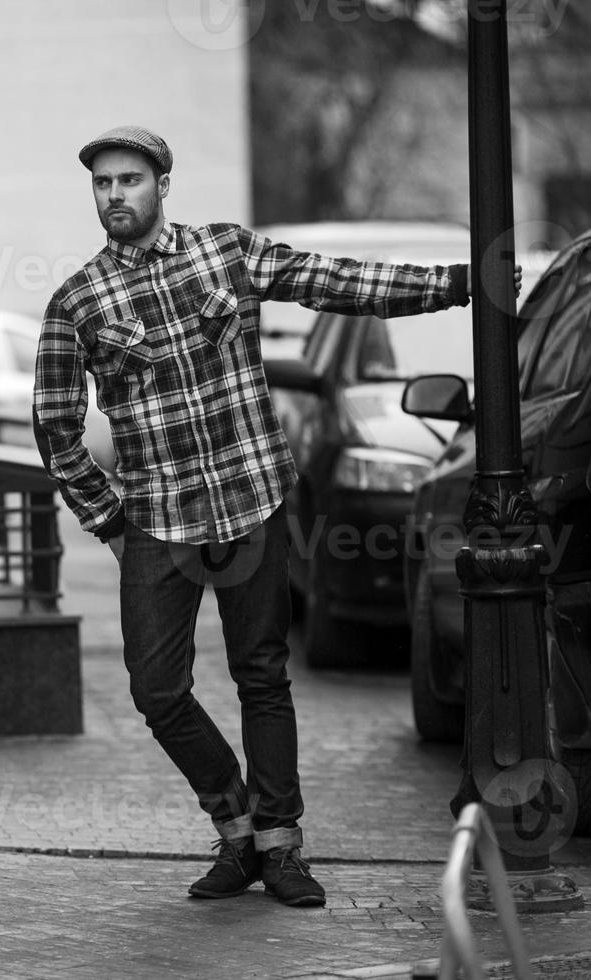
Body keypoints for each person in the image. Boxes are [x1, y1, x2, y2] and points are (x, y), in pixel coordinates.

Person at [32, 125, 511, 908]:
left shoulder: (227, 252)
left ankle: (279, 848)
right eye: (103, 184)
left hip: (250, 499)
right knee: (157, 691)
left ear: (162, 184)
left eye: (130, 179)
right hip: (156, 518)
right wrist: (109, 520)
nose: (115, 194)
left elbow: (337, 282)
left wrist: (458, 284)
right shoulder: (79, 300)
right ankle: (237, 822)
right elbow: (54, 425)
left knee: (262, 675)